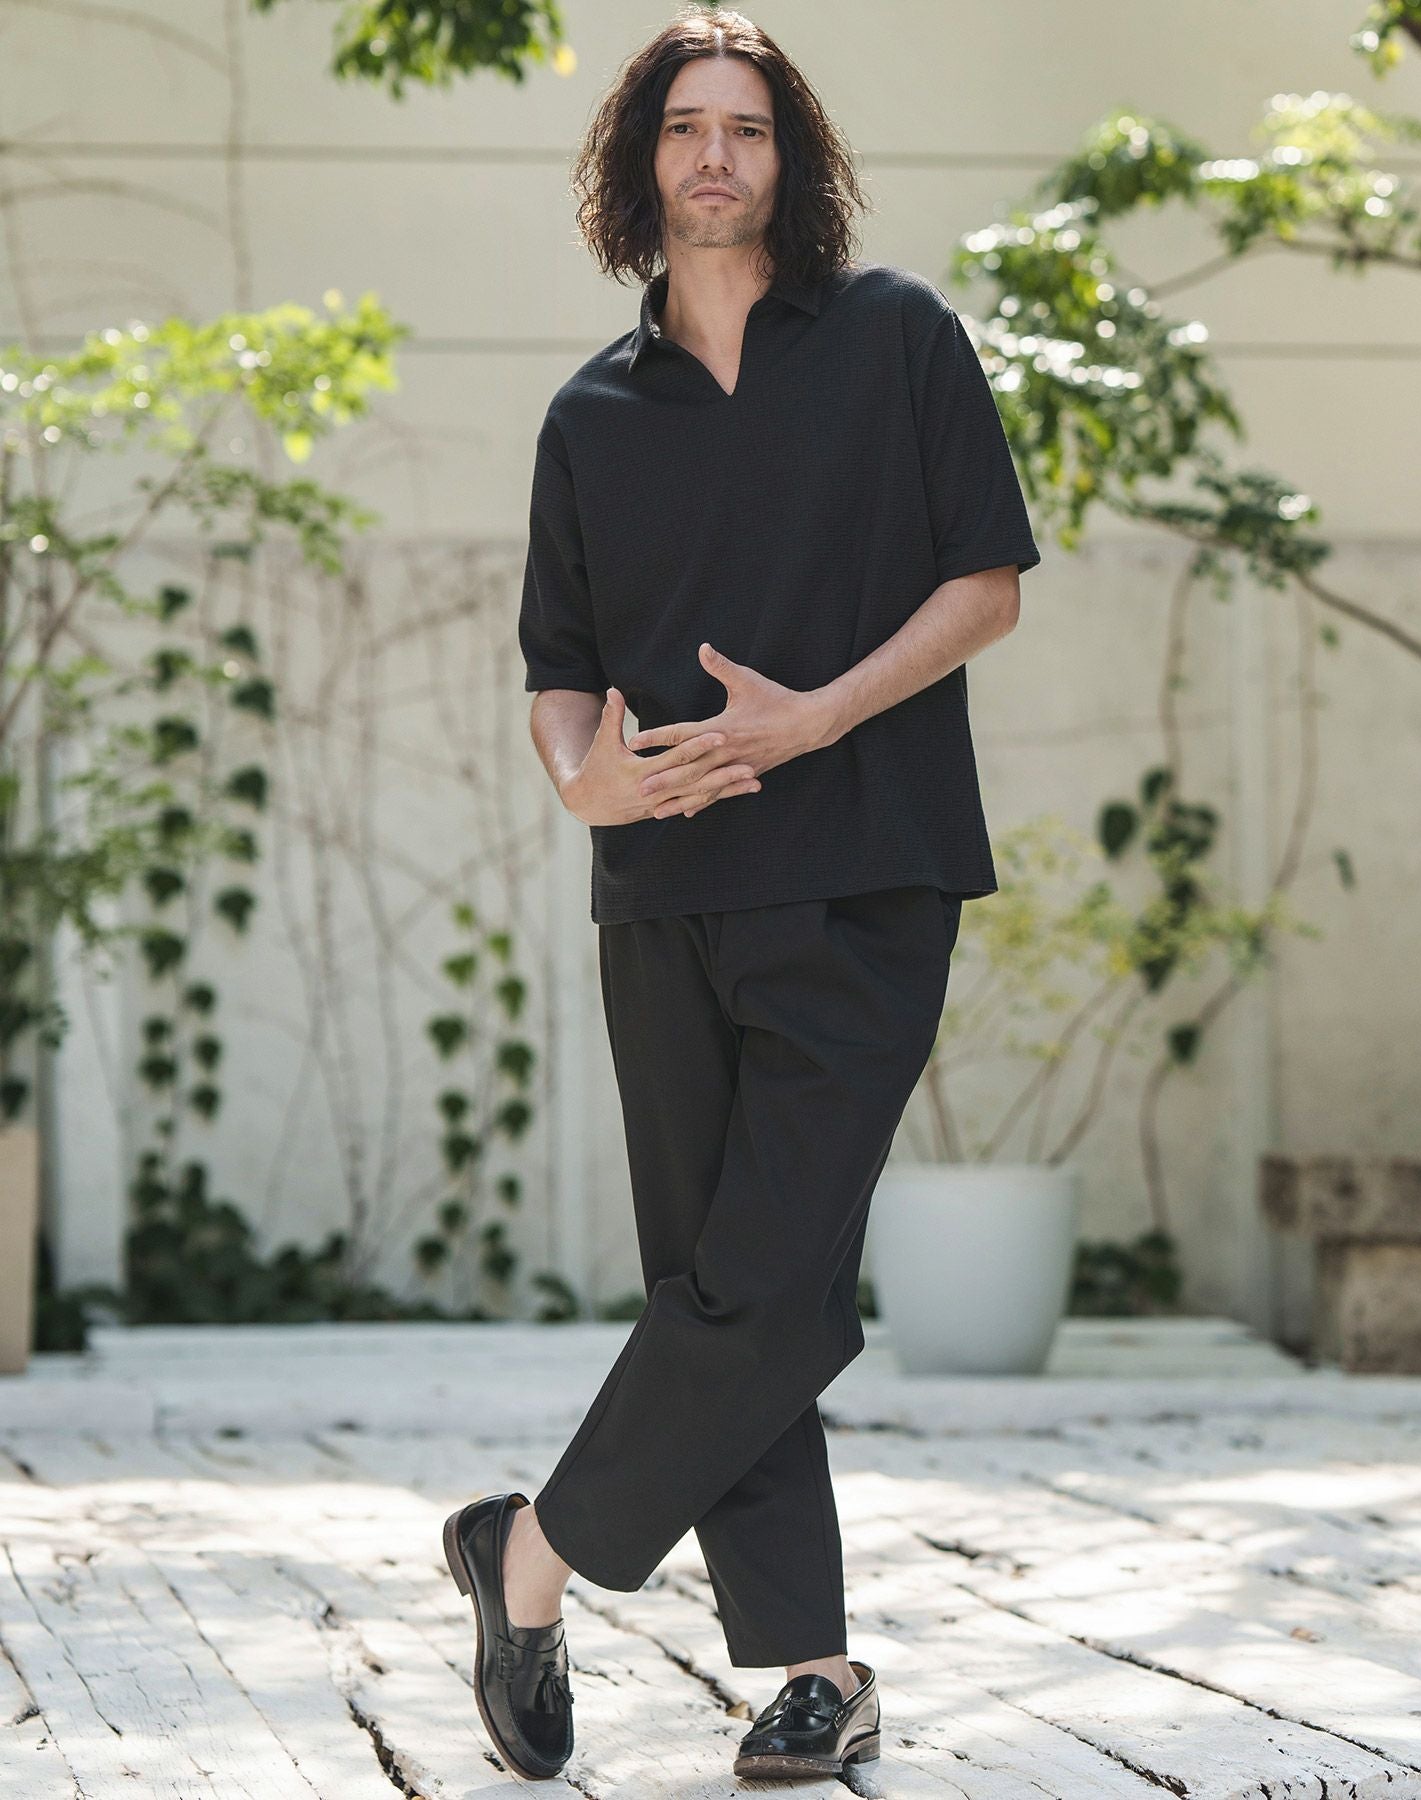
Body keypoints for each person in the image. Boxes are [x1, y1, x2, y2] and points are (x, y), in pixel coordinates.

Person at [443, 5, 1040, 1783]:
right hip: (663, 892)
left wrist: (816, 717)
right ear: (641, 163)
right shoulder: (589, 415)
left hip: (867, 872)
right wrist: (580, 777)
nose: (718, 155)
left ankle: (528, 1557)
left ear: (794, 161)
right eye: (687, 126)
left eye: (750, 128)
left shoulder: (897, 338)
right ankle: (812, 1672)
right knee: (717, 1282)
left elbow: (989, 583)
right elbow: (559, 670)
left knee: (770, 1280)